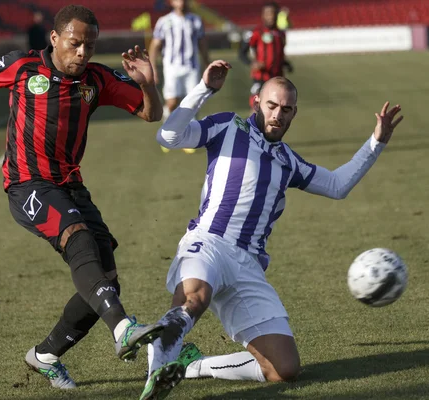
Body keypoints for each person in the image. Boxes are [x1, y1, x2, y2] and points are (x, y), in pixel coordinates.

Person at [0, 5, 165, 389]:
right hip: (27, 184)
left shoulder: (98, 78)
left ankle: (45, 354)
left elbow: (149, 114)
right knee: (77, 236)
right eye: (75, 44)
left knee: (106, 280)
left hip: (71, 185)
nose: (82, 53)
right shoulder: (23, 67)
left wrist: (148, 85)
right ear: (54, 38)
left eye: (89, 45)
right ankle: (123, 327)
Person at [140, 59, 403, 399]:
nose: (278, 114)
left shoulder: (289, 161)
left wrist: (376, 142)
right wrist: (204, 89)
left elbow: (337, 185)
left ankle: (192, 365)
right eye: (272, 105)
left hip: (248, 265)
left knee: (284, 369)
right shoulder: (227, 127)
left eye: (287, 109)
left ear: (294, 113)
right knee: (195, 297)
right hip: (209, 243)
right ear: (257, 103)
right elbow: (169, 135)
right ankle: (158, 366)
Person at [149, 0, 209, 154]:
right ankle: (166, 132)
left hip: (192, 67)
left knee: (193, 103)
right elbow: (155, 45)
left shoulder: (195, 20)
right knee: (172, 102)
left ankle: (188, 139)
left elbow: (202, 43)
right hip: (172, 68)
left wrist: (207, 63)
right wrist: (153, 67)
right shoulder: (164, 21)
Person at [239, 2, 293, 112]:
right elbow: (242, 53)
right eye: (267, 13)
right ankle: (250, 129)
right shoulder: (256, 32)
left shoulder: (281, 34)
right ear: (263, 15)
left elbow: (279, 56)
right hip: (261, 77)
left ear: (277, 15)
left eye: (273, 13)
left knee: (275, 110)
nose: (271, 16)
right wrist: (252, 63)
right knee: (256, 108)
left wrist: (286, 64)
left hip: (277, 78)